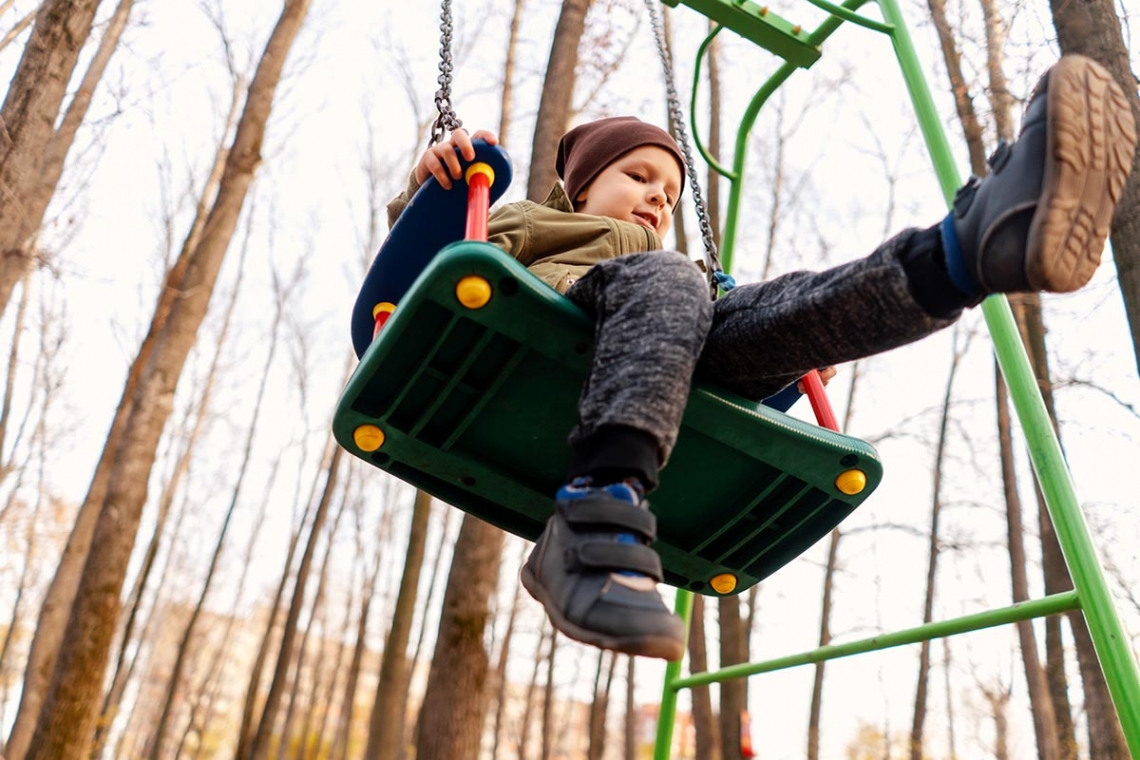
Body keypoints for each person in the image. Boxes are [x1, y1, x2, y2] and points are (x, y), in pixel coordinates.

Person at [391, 55, 1136, 661]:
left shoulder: (674, 273)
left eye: (671, 192)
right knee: (675, 275)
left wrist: (794, 349)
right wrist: (431, 188)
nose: (658, 200)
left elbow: (709, 325)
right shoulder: (528, 220)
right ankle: (598, 507)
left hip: (666, 356)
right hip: (534, 336)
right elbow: (423, 265)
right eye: (638, 178)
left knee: (782, 307)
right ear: (581, 185)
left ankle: (969, 250)